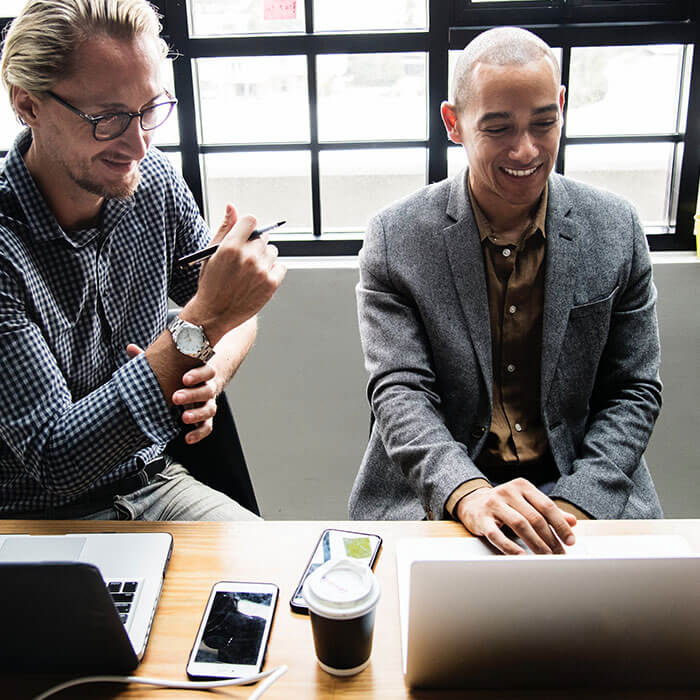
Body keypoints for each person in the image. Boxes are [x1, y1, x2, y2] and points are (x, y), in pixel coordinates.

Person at [349, 27, 663, 554]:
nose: (527, 149)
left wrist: (569, 508)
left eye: (544, 122)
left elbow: (633, 390)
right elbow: (400, 392)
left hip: (581, 487)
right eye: (498, 128)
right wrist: (467, 491)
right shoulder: (395, 237)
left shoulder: (617, 227)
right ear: (454, 124)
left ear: (562, 106)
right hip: (447, 490)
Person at [0, 0, 286, 520]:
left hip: (155, 480)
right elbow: (57, 460)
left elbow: (231, 312)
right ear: (29, 105)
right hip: (33, 520)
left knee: (279, 580)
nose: (137, 143)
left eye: (150, 109)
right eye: (107, 117)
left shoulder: (150, 181)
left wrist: (212, 374)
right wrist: (204, 320)